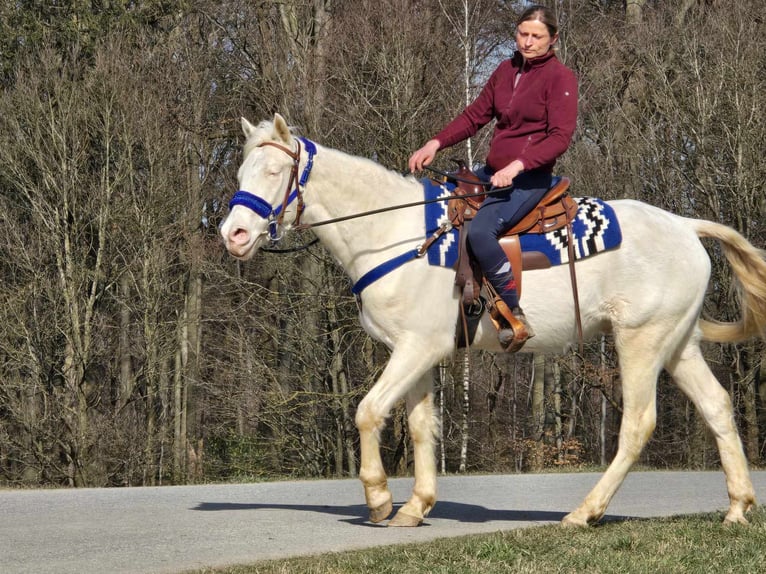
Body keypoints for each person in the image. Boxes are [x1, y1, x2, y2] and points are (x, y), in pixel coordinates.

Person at [408, 4, 578, 349]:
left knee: (483, 232)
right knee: (439, 204)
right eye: (522, 34)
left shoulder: (561, 78)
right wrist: (435, 142)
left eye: (536, 37)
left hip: (530, 180)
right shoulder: (505, 70)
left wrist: (517, 166)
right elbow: (475, 116)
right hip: (492, 173)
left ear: (553, 39)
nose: (527, 42)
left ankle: (511, 312)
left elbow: (559, 138)